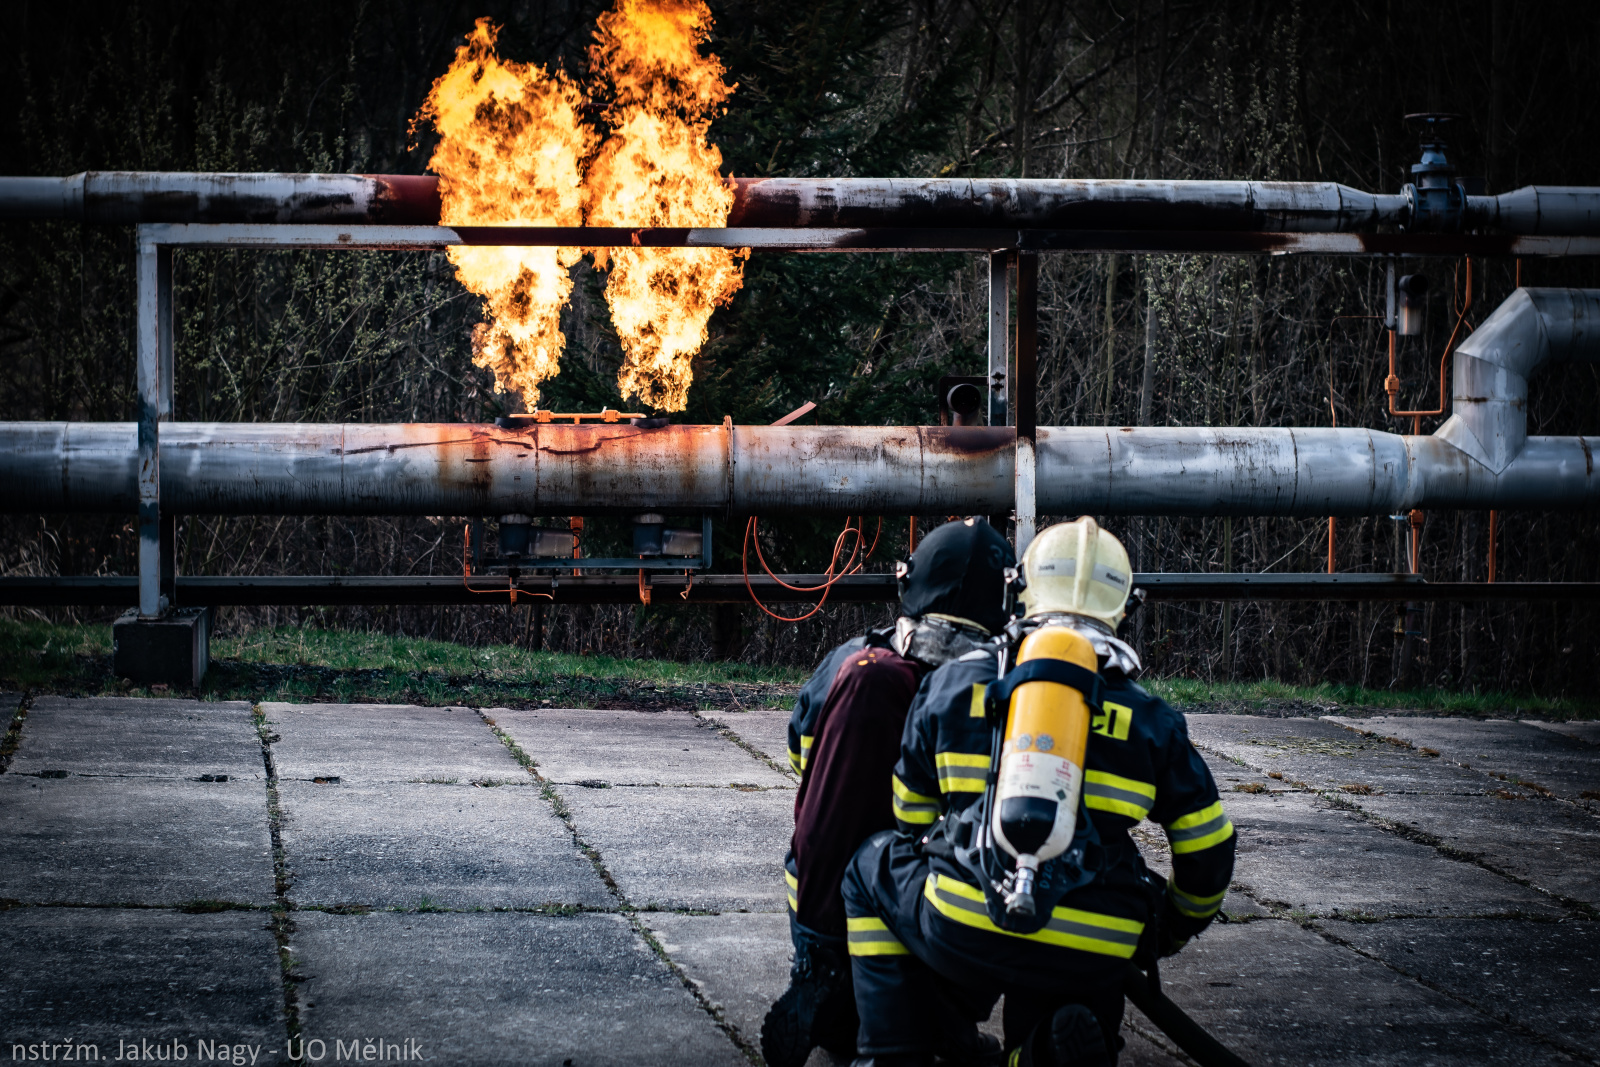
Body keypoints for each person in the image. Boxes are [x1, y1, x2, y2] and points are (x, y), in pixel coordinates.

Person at [841, 517, 1237, 1067]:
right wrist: (1165, 929)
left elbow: (908, 812)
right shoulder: (1152, 720)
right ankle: (1044, 1046)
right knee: (1084, 944)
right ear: (1124, 607)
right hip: (1096, 942)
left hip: (965, 922)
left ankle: (893, 1050)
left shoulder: (952, 684)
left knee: (868, 865)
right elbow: (1207, 849)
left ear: (1020, 592)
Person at [762, 519, 1016, 1067]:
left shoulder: (850, 658)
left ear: (911, 583)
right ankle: (942, 1025)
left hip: (815, 914)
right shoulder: (1003, 688)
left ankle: (829, 989)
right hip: (934, 935)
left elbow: (801, 762)